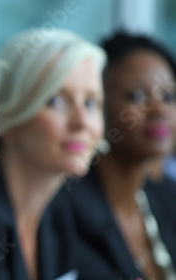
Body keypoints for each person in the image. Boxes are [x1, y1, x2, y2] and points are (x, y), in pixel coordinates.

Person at [0, 28, 106, 280]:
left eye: (91, 103)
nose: (82, 122)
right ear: (9, 116)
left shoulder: (57, 209)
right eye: (56, 101)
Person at [68, 31, 176, 280]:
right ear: (98, 103)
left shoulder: (167, 198)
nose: (158, 109)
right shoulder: (68, 208)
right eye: (137, 96)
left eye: (168, 96)